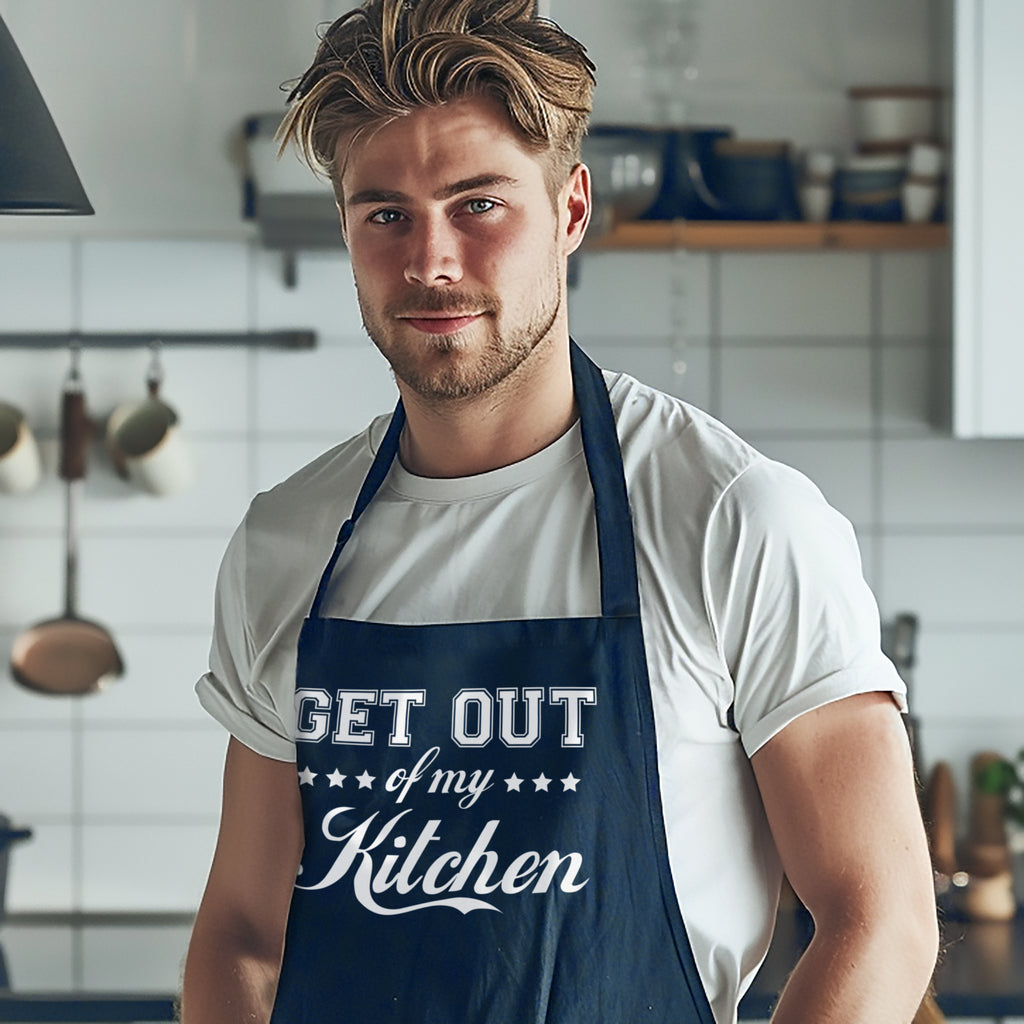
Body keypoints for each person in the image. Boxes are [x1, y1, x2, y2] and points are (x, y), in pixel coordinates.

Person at [180, 1, 938, 1021]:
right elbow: (242, 933)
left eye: (478, 204)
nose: (430, 260)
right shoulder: (285, 543)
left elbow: (880, 917)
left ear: (570, 211)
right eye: (385, 213)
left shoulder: (731, 519)